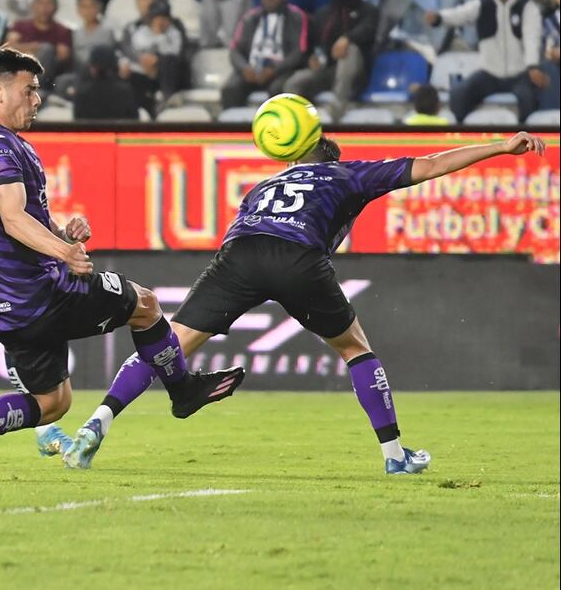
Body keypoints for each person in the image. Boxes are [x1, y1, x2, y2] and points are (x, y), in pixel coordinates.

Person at [64, 128, 547, 474]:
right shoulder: (347, 175)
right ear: (330, 159)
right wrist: (501, 147)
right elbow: (433, 164)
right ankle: (395, 455)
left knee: (167, 343)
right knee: (356, 349)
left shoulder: (263, 185)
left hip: (238, 254)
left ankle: (94, 426)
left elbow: (247, 226)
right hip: (298, 256)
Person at [0, 47, 244, 480]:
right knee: (145, 305)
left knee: (52, 404)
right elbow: (11, 218)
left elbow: (9, 220)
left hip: (5, 306)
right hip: (42, 294)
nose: (37, 100)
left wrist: (62, 234)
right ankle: (184, 390)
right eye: (29, 91)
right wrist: (65, 254)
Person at [425, 0, 546, 122]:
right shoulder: (481, 5)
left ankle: (527, 142)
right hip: (489, 74)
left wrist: (532, 66)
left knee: (529, 100)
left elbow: (532, 37)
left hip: (519, 74)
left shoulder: (527, 7)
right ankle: (462, 139)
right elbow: (458, 15)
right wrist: (439, 18)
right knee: (459, 94)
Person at [283, 0, 378, 117]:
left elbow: (367, 30)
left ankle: (337, 109)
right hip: (327, 71)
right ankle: (296, 121)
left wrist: (347, 38)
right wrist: (311, 59)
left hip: (357, 73)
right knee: (295, 82)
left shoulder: (369, 10)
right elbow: (312, 44)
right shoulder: (322, 14)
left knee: (350, 49)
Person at [222, 0, 309, 109]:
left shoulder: (297, 16)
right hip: (251, 69)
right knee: (230, 89)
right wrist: (244, 68)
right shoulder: (249, 18)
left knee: (279, 91)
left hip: (280, 70)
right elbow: (235, 50)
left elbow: (299, 51)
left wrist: (274, 70)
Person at [5, 0, 73, 89]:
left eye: (49, 4)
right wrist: (34, 47)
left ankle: (33, 88)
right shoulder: (20, 26)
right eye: (41, 3)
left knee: (46, 50)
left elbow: (62, 56)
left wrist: (41, 52)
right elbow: (8, 46)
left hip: (47, 75)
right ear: (33, 5)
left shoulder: (62, 30)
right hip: (19, 70)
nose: (44, 8)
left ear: (56, 7)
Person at [72, 44, 138, 120]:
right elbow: (134, 120)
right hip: (117, 132)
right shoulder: (125, 92)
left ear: (92, 67)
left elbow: (77, 122)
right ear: (114, 66)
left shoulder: (82, 93)